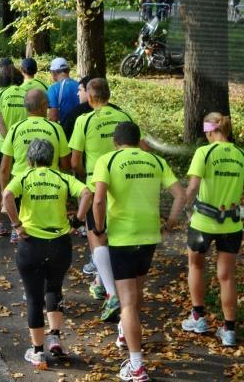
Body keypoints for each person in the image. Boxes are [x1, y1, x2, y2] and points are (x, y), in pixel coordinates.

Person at [92, 122, 185, 382]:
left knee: (128, 301)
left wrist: (99, 228)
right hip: (149, 236)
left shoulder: (107, 160)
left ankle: (137, 366)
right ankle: (125, 331)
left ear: (115, 140)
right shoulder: (154, 161)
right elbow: (180, 195)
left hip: (122, 237)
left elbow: (98, 199)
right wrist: (171, 223)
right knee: (134, 294)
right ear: (137, 140)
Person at [3, 139, 92, 370]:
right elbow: (86, 192)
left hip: (31, 244)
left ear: (30, 159)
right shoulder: (61, 178)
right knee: (54, 288)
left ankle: (38, 352)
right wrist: (78, 220)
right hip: (60, 244)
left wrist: (17, 225)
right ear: (51, 158)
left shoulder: (24, 177)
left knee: (33, 297)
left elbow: (6, 196)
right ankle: (54, 336)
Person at [181, 113, 244, 347]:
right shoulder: (241, 155)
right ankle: (229, 331)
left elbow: (194, 186)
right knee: (226, 277)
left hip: (202, 223)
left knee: (195, 265)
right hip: (231, 225)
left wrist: (185, 208)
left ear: (209, 131)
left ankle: (198, 317)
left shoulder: (204, 153)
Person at [69, 78, 147, 321]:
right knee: (116, 234)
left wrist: (86, 179)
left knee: (98, 236)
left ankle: (107, 288)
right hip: (125, 181)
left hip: (95, 184)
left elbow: (74, 161)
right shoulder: (124, 116)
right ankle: (104, 281)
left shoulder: (84, 120)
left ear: (90, 98)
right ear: (109, 95)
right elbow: (142, 148)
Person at [0, 89, 70, 197]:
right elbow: (66, 164)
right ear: (43, 105)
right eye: (48, 105)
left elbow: (4, 168)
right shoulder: (56, 129)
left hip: (21, 185)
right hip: (50, 185)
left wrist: (5, 193)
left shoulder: (15, 128)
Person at [0, 65, 27, 240]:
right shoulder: (26, 93)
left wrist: (8, 140)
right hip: (24, 146)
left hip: (2, 146)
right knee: (21, 186)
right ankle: (18, 226)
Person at [47, 57, 79, 124]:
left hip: (64, 130)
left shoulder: (53, 89)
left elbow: (53, 117)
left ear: (54, 72)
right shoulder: (80, 86)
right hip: (80, 128)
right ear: (68, 70)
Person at [60, 76, 92, 141]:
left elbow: (65, 138)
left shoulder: (74, 114)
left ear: (89, 92)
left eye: (80, 90)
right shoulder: (116, 111)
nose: (78, 94)